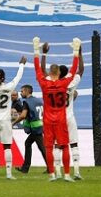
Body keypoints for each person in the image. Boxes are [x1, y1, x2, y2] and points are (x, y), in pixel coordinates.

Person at [33, 36, 81, 182]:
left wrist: (37, 50)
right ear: (59, 73)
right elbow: (73, 69)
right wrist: (76, 51)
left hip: (47, 119)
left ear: (49, 72)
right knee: (65, 146)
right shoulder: (64, 83)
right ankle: (67, 175)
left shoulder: (43, 83)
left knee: (49, 147)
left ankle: (52, 175)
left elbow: (37, 68)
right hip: (61, 118)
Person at [13, 85, 48, 174]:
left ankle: (50, 168)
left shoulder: (26, 102)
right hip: (40, 125)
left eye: (22, 91)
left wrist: (13, 123)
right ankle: (25, 168)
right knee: (28, 143)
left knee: (42, 148)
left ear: (27, 91)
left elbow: (23, 115)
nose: (21, 93)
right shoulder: (38, 101)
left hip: (35, 128)